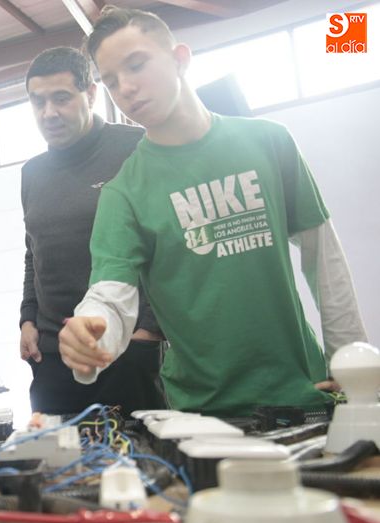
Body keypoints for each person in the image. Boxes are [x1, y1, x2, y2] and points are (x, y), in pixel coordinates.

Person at [58, 6, 368, 416]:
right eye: (111, 81)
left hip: (303, 392)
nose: (126, 88)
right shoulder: (123, 193)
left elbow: (324, 259)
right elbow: (110, 298)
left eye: (136, 65)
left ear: (180, 59)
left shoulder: (270, 143)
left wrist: (353, 367)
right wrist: (90, 333)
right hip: (203, 414)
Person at [19, 47, 165, 416]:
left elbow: (165, 243)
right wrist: (27, 318)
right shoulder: (32, 173)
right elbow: (33, 251)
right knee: (54, 453)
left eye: (61, 98)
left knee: (139, 451)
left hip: (125, 348)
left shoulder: (135, 147)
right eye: (38, 101)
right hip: (52, 356)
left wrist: (149, 330)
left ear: (91, 94)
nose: (48, 113)